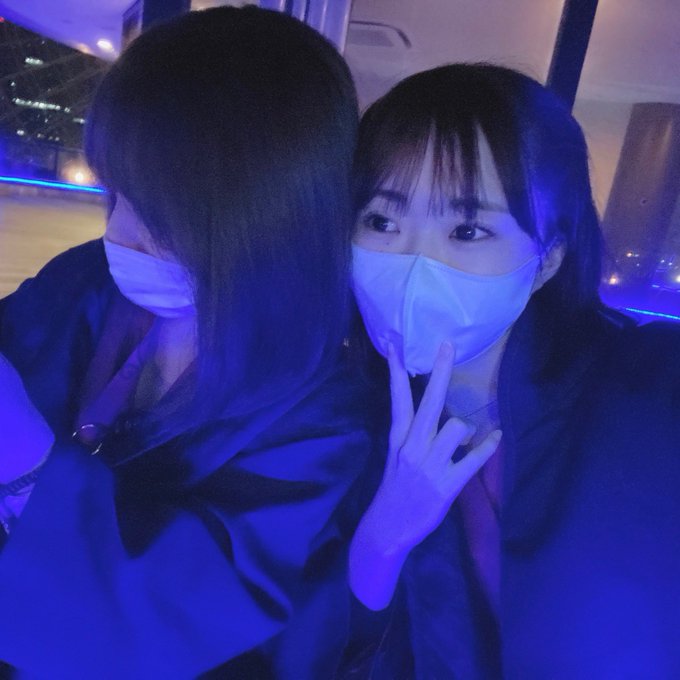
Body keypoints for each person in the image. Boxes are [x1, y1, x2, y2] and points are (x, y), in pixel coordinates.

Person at [0, 6, 372, 678]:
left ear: (264, 210)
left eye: (158, 208)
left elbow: (181, 621)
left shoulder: (323, 416)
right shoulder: (87, 281)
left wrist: (27, 463)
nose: (120, 231)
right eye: (117, 192)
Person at [347, 63, 680, 678]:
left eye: (467, 229)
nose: (417, 264)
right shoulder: (344, 410)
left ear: (547, 260)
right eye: (382, 222)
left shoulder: (649, 391)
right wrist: (381, 537)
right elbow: (340, 638)